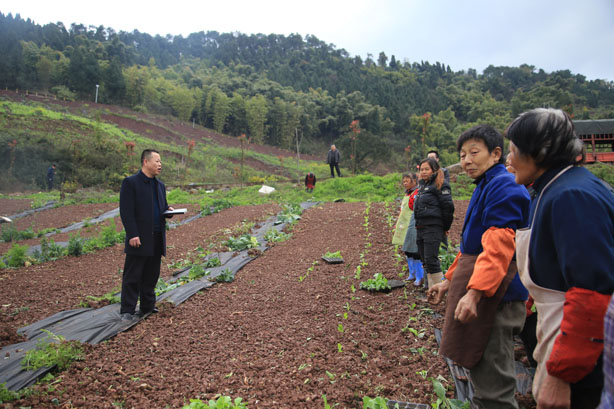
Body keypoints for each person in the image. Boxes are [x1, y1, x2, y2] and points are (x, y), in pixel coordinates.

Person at [506, 108, 614, 409]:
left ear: (540, 152)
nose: (508, 160)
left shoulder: (571, 196)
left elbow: (591, 291)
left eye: (514, 151)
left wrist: (560, 375)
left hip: (584, 348)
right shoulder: (551, 189)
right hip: (560, 332)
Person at [428, 125, 530, 408]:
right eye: (462, 155)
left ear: (496, 153)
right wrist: (449, 282)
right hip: (484, 291)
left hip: (495, 297)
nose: (466, 161)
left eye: (474, 153)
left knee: (493, 382)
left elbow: (498, 245)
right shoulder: (486, 184)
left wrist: (474, 293)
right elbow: (472, 248)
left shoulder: (503, 185)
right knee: (481, 367)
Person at [119, 149, 174, 321]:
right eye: (157, 161)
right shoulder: (131, 183)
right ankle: (127, 310)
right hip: (139, 238)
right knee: (133, 274)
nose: (160, 164)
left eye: (160, 161)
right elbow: (126, 211)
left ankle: (147, 305)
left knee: (151, 273)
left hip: (157, 236)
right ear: (145, 162)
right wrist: (132, 234)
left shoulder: (159, 185)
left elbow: (162, 207)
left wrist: (169, 211)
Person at [413, 157, 454, 289]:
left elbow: (448, 207)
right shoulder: (422, 186)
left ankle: (438, 292)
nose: (423, 172)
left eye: (427, 169)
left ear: (434, 170)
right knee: (425, 260)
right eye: (422, 169)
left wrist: (445, 226)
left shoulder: (440, 184)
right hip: (420, 226)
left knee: (431, 259)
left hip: (432, 226)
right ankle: (430, 290)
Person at [399, 173, 425, 286]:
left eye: (407, 181)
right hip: (405, 224)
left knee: (415, 251)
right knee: (407, 250)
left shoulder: (418, 192)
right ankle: (412, 273)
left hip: (414, 223)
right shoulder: (407, 193)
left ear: (415, 181)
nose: (405, 183)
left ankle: (420, 277)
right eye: (403, 181)